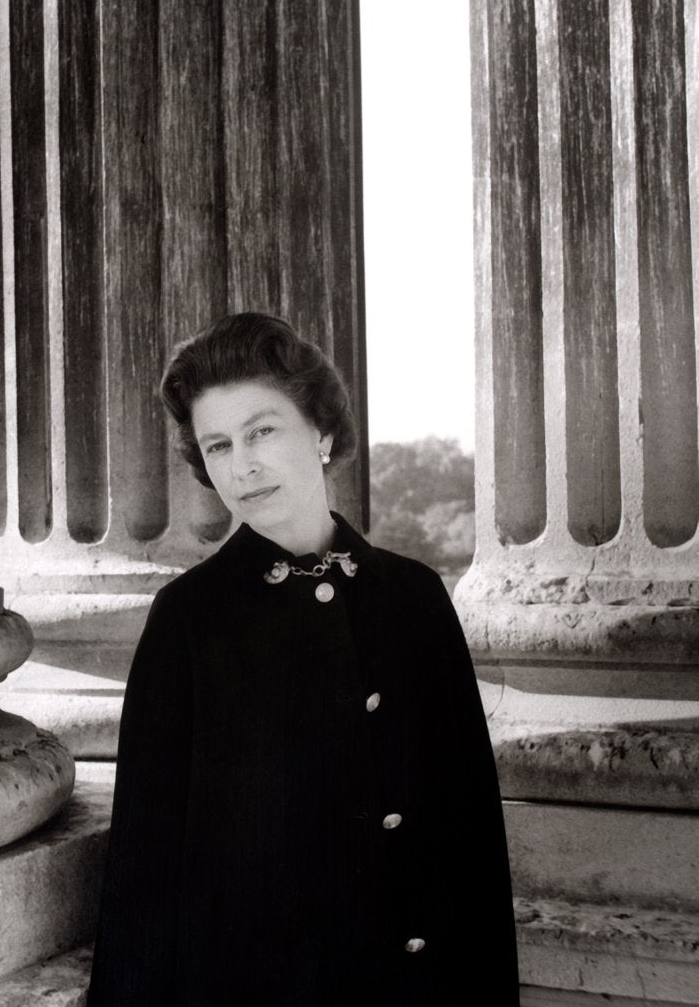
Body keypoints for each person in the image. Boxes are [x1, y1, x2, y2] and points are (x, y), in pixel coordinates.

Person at [86, 312, 519, 1005]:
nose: (243, 464)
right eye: (218, 445)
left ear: (319, 430)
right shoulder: (187, 620)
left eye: (262, 430)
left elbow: (469, 830)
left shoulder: (413, 597)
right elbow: (144, 864)